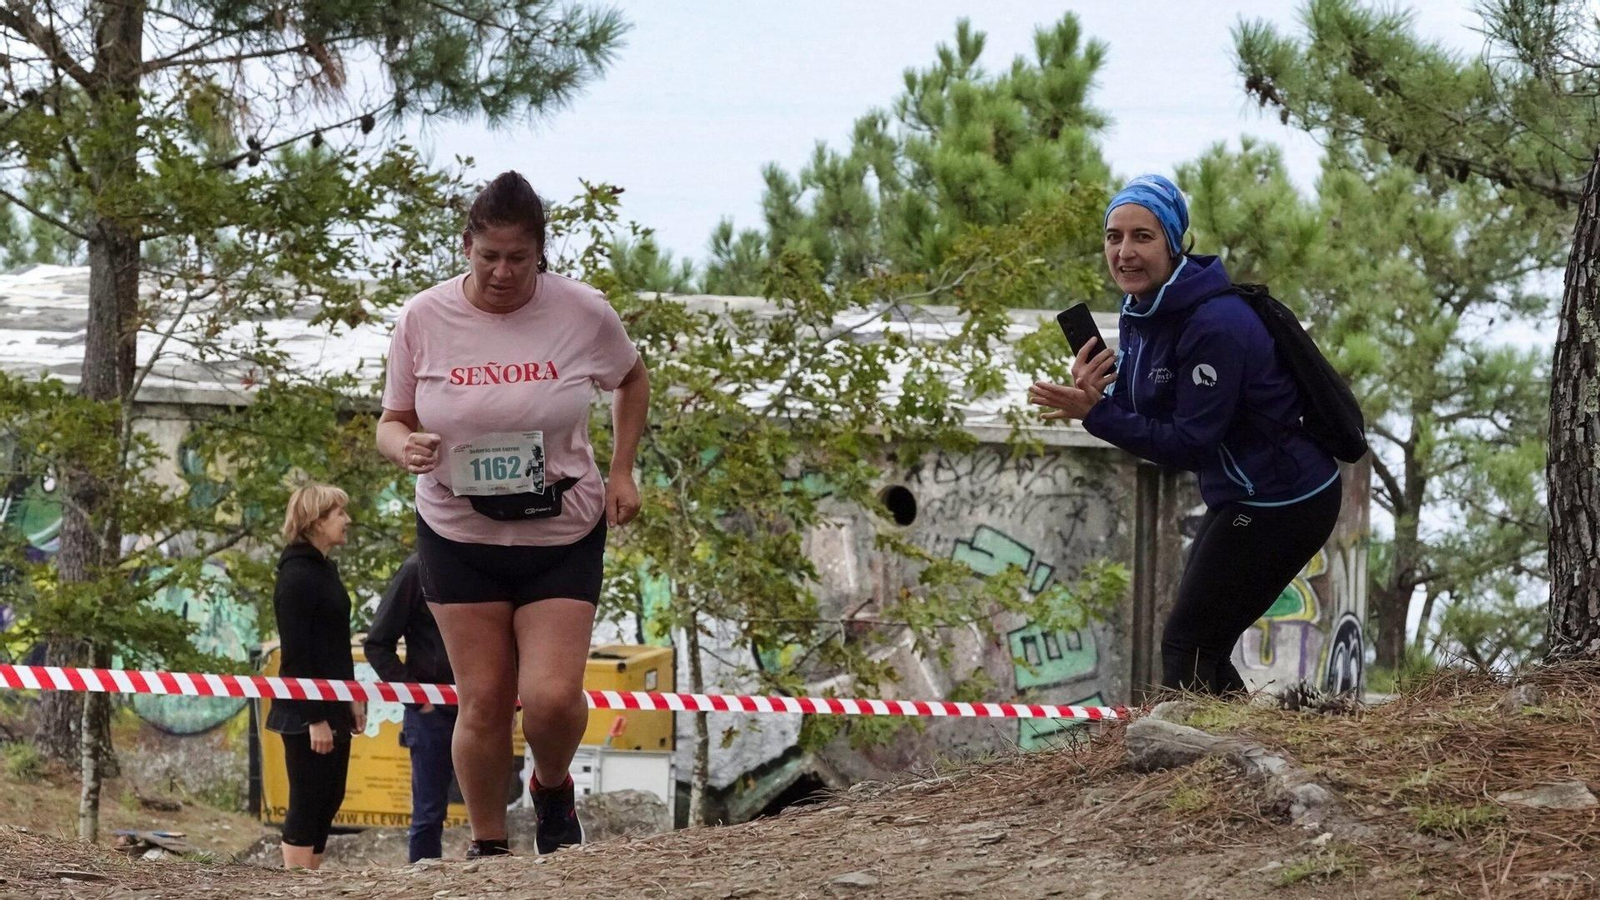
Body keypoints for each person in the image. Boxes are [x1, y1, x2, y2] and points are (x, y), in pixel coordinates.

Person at [375, 170, 649, 858]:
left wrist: (622, 469)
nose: (502, 272)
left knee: (553, 698)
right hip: (458, 530)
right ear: (466, 246)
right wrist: (403, 446)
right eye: (488, 256)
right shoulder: (422, 318)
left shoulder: (583, 312)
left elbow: (631, 377)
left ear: (539, 254)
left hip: (560, 527)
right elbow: (390, 419)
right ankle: (489, 847)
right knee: (485, 700)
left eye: (518, 259)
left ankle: (552, 789)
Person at [1029, 174, 1342, 696]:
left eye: (1142, 237)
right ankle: (1237, 754)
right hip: (1242, 493)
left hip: (1287, 498)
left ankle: (1205, 763)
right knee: (1202, 643)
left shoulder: (1216, 324)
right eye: (1113, 237)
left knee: (1187, 644)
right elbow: (1147, 405)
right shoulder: (1142, 310)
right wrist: (1097, 397)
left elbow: (1188, 443)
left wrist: (1097, 416)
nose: (1124, 252)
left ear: (1174, 244)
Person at [266, 482, 365, 870]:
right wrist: (316, 717)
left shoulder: (325, 571)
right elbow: (297, 655)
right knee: (307, 798)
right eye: (339, 513)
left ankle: (312, 879)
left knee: (331, 796)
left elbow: (338, 645)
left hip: (336, 701)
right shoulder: (295, 576)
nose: (347, 520)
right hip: (306, 711)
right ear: (316, 520)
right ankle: (295, 884)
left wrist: (352, 697)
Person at [363, 553, 458, 863]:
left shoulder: (490, 562)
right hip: (432, 712)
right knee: (429, 813)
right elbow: (377, 644)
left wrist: (508, 705)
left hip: (483, 706)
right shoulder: (416, 570)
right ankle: (422, 885)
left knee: (492, 812)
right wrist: (419, 699)